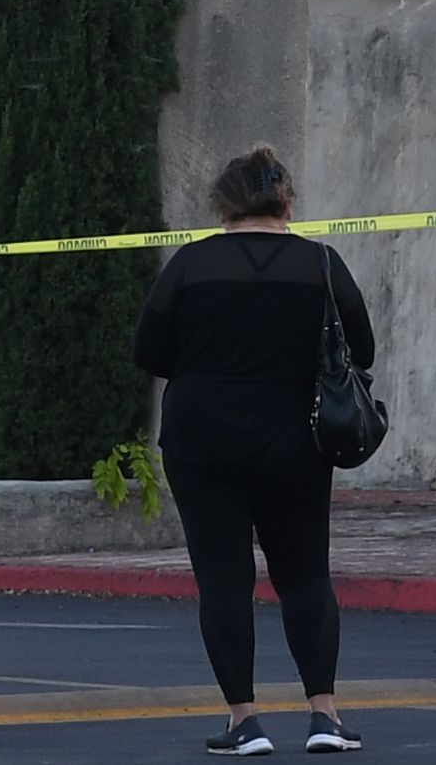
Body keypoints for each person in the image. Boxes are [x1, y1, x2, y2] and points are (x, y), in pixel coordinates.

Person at [133, 144, 375, 755]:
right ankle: (324, 714)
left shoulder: (190, 265)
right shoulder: (321, 264)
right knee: (304, 576)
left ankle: (244, 722)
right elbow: (361, 349)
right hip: (295, 438)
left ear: (224, 203)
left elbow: (149, 353)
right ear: (286, 199)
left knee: (222, 579)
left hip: (200, 438)